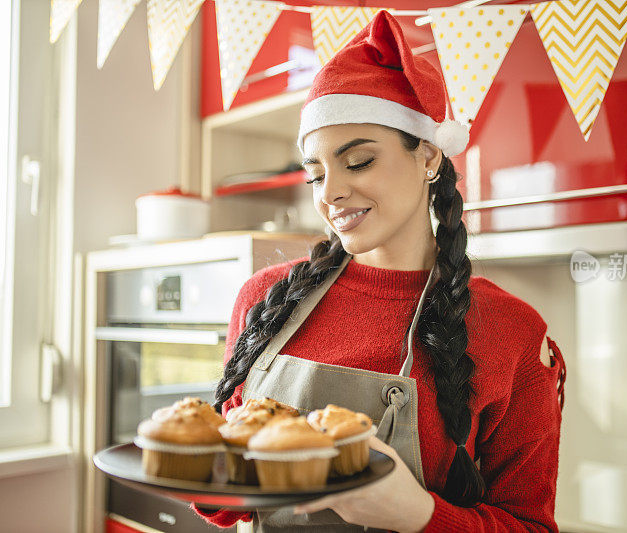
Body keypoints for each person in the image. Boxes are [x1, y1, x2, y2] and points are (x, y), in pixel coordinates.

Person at [193, 9, 566, 532]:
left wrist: (420, 515)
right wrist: (210, 469)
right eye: (315, 175)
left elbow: (529, 526)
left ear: (430, 156)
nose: (331, 194)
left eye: (359, 161)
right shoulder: (266, 298)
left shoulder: (512, 333)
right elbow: (225, 502)